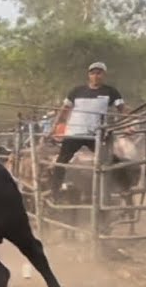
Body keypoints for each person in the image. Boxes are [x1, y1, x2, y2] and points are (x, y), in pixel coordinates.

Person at [48, 61, 126, 195]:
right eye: (93, 73)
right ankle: (54, 191)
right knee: (61, 161)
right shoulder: (76, 91)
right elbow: (64, 110)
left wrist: (128, 125)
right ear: (89, 75)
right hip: (75, 133)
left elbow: (122, 109)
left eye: (99, 73)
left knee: (112, 159)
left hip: (95, 135)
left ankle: (124, 188)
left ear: (104, 75)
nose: (96, 76)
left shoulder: (111, 91)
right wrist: (54, 127)